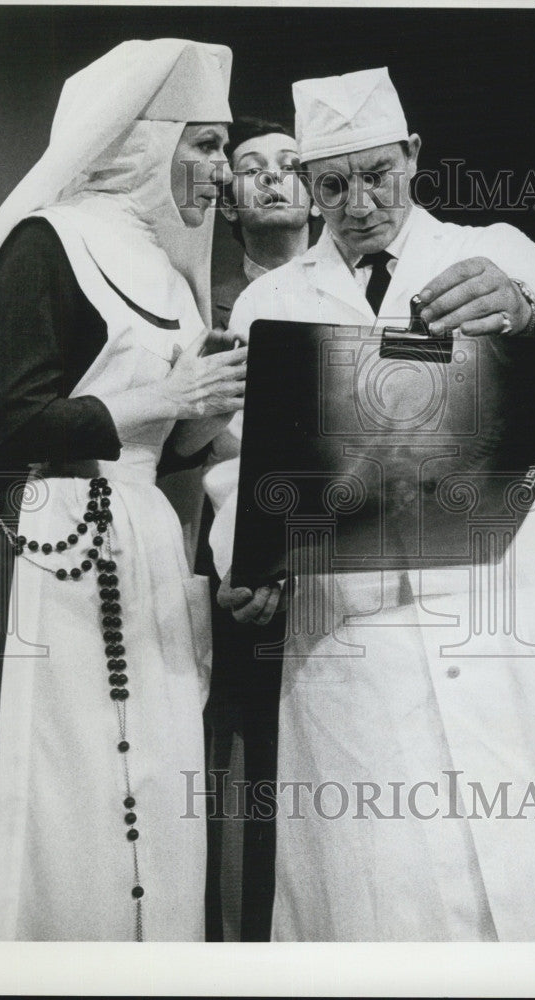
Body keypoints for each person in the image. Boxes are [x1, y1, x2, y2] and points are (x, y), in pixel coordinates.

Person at [214, 67, 535, 941]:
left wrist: (521, 308)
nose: (359, 202)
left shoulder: (486, 248)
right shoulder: (271, 300)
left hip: (508, 592)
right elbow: (237, 461)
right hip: (353, 623)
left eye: (379, 174)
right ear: (306, 183)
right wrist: (250, 562)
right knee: (391, 885)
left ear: (413, 156)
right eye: (331, 184)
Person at [0, 39, 247, 942]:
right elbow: (10, 425)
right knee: (52, 790)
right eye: (205, 145)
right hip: (43, 550)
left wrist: (203, 415)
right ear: (145, 137)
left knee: (152, 785)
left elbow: (160, 450)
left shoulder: (171, 275)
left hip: (138, 551)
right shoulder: (49, 241)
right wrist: (167, 395)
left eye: (223, 147)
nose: (223, 171)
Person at [202, 117, 313, 941]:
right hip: (234, 570)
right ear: (231, 200)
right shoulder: (197, 309)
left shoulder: (365, 296)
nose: (274, 178)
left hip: (343, 571)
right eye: (251, 167)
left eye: (290, 164)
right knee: (218, 766)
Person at [211, 116, 313, 329]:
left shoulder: (358, 287)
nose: (272, 176)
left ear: (316, 201)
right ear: (229, 207)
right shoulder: (204, 309)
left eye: (288, 167)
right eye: (253, 171)